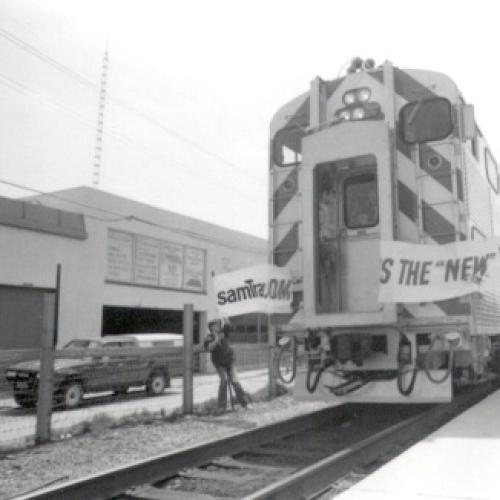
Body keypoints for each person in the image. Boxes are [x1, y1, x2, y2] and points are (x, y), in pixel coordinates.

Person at [204, 319, 249, 411]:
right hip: (219, 363)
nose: (219, 326)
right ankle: (221, 407)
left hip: (230, 360)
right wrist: (216, 340)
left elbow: (228, 325)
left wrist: (224, 316)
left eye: (219, 324)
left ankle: (245, 403)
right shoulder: (209, 337)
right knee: (224, 380)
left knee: (235, 381)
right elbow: (209, 348)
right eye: (217, 325)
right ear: (212, 327)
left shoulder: (223, 333)